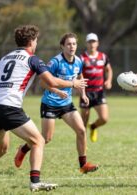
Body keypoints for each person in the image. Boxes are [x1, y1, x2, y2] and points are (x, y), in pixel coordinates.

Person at [0, 25, 87, 192]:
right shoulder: (33, 59)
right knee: (38, 141)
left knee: (0, 149)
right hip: (9, 107)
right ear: (31, 41)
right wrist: (73, 83)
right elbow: (51, 82)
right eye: (36, 40)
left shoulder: (5, 57)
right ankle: (35, 182)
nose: (36, 43)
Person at [14, 33, 99, 175]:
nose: (72, 46)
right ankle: (23, 149)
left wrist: (83, 94)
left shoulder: (78, 61)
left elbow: (80, 76)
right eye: (68, 44)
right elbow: (42, 82)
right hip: (50, 104)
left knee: (81, 130)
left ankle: (83, 165)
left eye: (74, 44)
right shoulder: (55, 62)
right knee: (46, 139)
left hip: (67, 104)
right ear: (62, 46)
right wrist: (57, 92)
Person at [80, 33, 113, 142]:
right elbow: (77, 74)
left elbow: (109, 69)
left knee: (104, 119)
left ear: (97, 43)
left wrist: (108, 80)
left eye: (93, 41)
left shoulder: (103, 57)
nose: (92, 44)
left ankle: (93, 126)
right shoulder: (81, 58)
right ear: (86, 43)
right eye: (89, 42)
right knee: (83, 124)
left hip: (99, 92)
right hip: (86, 93)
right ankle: (83, 148)